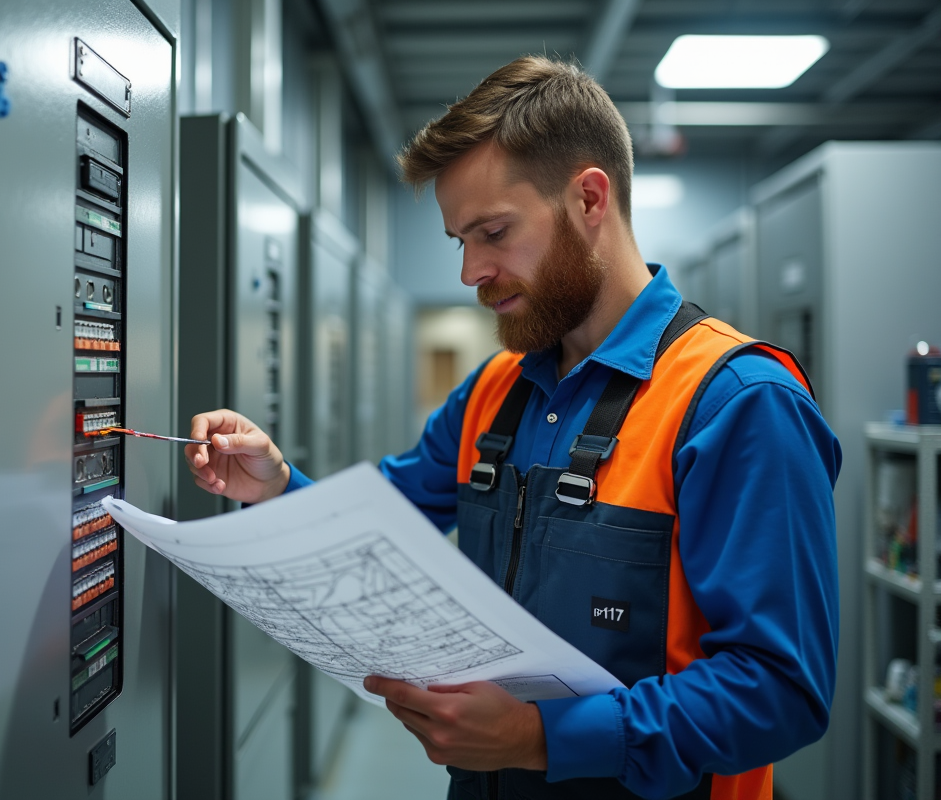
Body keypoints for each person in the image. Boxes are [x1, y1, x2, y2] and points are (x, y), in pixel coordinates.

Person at [184, 56, 840, 800]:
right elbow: (377, 524)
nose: (471, 271)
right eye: (459, 240)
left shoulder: (736, 403)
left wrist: (540, 739)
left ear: (590, 198)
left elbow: (782, 690)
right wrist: (274, 486)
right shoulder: (497, 392)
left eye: (493, 232)